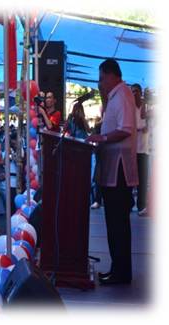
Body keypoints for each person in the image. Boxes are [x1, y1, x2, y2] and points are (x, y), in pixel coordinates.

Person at [86, 59, 138, 285]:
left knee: (118, 223)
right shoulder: (114, 96)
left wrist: (103, 138)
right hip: (112, 167)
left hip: (120, 169)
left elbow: (125, 129)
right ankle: (118, 268)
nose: (100, 83)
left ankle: (121, 272)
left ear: (110, 75)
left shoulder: (124, 94)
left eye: (101, 78)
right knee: (114, 223)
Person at [131, 83, 149, 216]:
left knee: (142, 179)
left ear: (140, 92)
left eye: (136, 91)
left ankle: (141, 206)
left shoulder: (145, 107)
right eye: (132, 91)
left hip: (144, 149)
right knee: (130, 179)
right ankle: (130, 204)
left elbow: (146, 122)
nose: (134, 93)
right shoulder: (130, 108)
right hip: (132, 149)